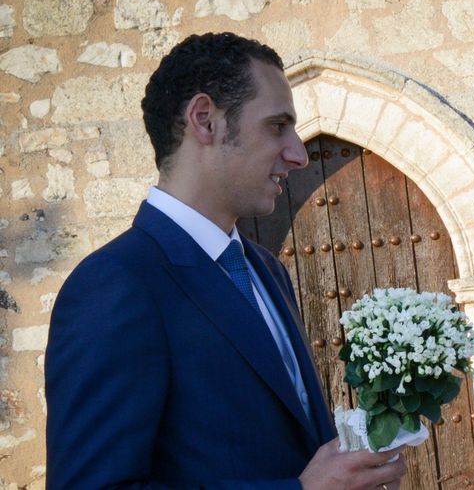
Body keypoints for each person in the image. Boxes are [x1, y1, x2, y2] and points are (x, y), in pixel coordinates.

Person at [45, 32, 406, 489]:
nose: (297, 154)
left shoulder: (265, 270)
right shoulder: (114, 285)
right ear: (205, 121)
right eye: (277, 126)